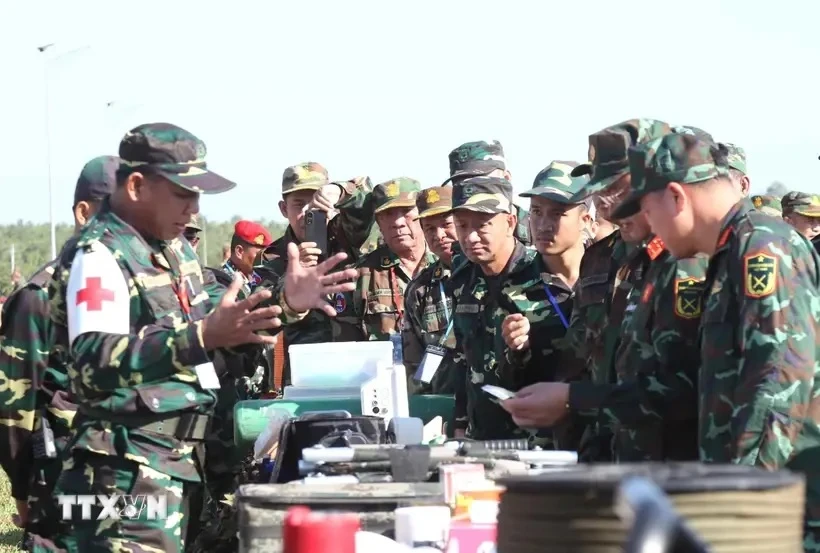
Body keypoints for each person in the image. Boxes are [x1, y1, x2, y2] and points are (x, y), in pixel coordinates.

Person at [47, 122, 359, 553]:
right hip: (120, 469)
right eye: (183, 194)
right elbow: (91, 362)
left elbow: (230, 319)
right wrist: (200, 337)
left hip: (177, 459)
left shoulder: (174, 251)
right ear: (137, 185)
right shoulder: (100, 254)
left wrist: (288, 302)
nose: (194, 210)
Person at [618, 132, 820, 550]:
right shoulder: (730, 252)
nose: (647, 226)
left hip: (781, 507)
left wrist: (738, 505)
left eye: (647, 211)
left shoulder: (761, 247)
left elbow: (778, 382)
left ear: (676, 197)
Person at [0, 155, 118, 551]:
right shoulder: (38, 297)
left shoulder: (134, 288)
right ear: (84, 214)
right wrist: (22, 487)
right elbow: (16, 406)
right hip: (62, 471)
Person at [562, 118, 673, 462]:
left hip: (665, 453)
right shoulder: (601, 256)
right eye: (600, 191)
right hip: (607, 441)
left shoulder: (685, 260)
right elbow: (584, 350)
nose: (607, 204)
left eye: (618, 190)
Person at [449, 175, 577, 446]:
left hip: (539, 444)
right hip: (481, 440)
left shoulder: (545, 277)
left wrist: (524, 348)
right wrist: (459, 426)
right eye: (462, 225)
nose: (470, 236)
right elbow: (463, 361)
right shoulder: (463, 281)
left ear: (509, 222)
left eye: (482, 225)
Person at [258, 164, 377, 386]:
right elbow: (260, 320)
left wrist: (339, 190)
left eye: (314, 203)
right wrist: (292, 279)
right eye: (298, 204)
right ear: (284, 209)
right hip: (304, 383)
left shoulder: (345, 239)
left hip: (356, 376)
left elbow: (369, 198)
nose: (307, 213)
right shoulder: (273, 262)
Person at [335, 178, 437, 347]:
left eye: (406, 211)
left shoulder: (447, 266)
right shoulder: (358, 277)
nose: (398, 223)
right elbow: (347, 350)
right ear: (379, 223)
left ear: (422, 214)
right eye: (388, 214)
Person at [402, 186, 458, 395]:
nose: (439, 235)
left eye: (446, 224)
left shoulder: (487, 274)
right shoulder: (421, 289)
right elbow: (414, 363)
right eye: (429, 228)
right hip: (442, 402)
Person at [442, 140, 531, 247]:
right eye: (460, 183)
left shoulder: (538, 230)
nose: (469, 189)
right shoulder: (461, 245)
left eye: (480, 179)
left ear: (506, 178)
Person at [223, 220, 272, 298]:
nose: (263, 259)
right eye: (259, 254)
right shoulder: (221, 282)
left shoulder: (258, 279)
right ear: (239, 251)